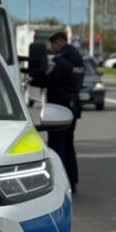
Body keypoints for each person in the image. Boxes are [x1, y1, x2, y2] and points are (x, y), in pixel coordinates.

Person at [32, 30, 84, 193]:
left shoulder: (61, 61)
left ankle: (60, 182)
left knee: (56, 144)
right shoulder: (78, 60)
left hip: (59, 106)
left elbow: (51, 80)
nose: (53, 48)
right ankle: (72, 180)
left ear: (58, 42)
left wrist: (34, 80)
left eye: (53, 45)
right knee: (68, 143)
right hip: (73, 105)